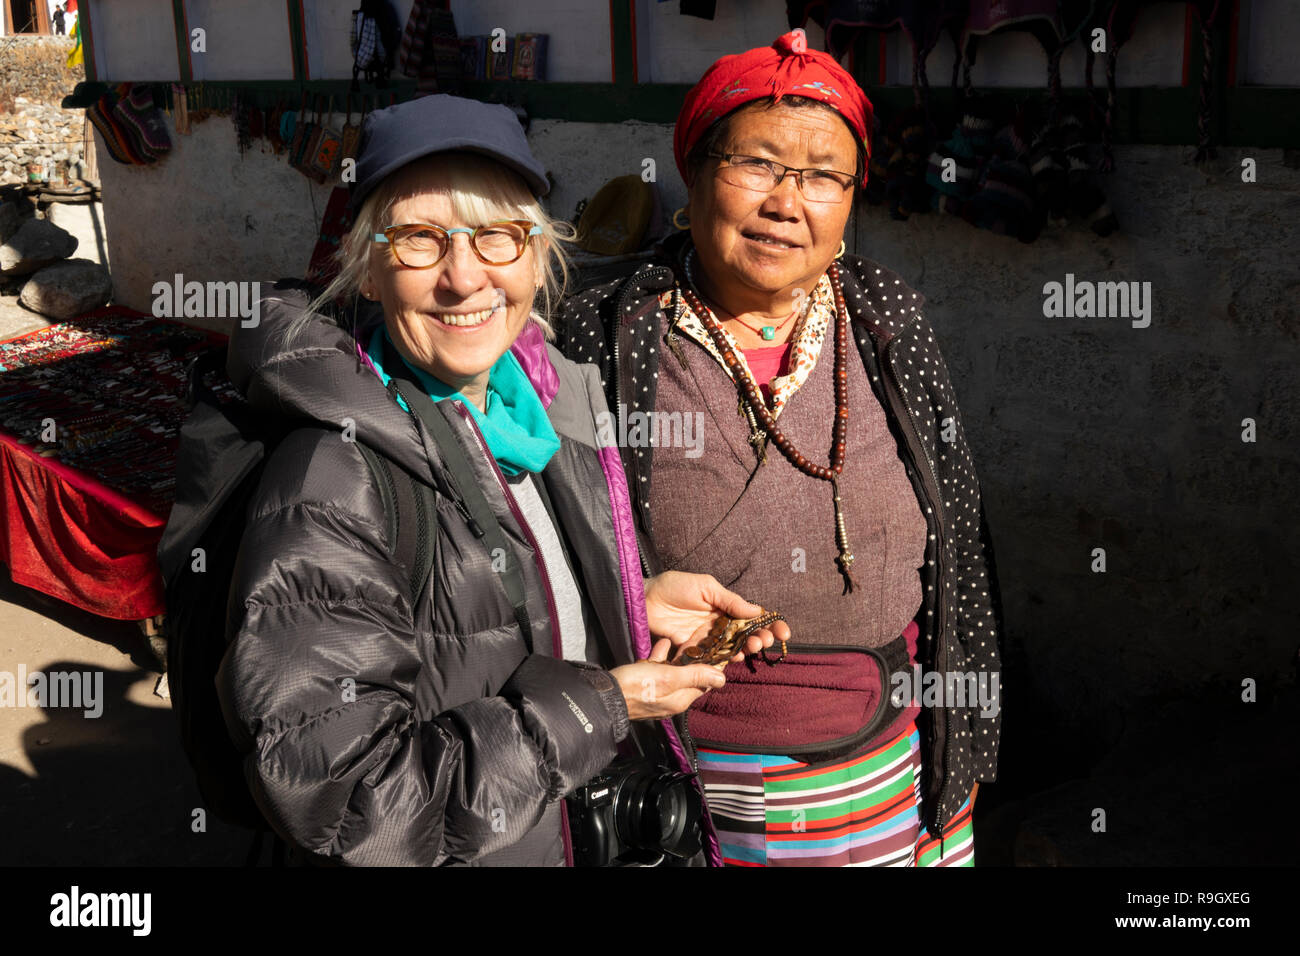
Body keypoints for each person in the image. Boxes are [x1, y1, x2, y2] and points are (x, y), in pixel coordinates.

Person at [218, 93, 785, 866]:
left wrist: (619, 595)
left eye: (497, 237)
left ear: (538, 254)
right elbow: (347, 797)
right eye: (420, 239)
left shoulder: (544, 408)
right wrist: (605, 705)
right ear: (369, 270)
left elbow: (485, 607)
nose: (463, 278)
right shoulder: (336, 474)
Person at [560, 31, 1004, 867]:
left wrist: (964, 741)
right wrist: (626, 595)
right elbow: (541, 544)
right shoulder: (606, 333)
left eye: (825, 176)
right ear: (693, 175)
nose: (785, 201)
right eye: (755, 164)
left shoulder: (887, 319)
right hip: (681, 776)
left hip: (888, 757)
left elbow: (959, 531)